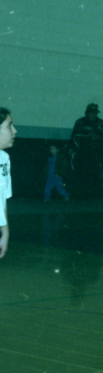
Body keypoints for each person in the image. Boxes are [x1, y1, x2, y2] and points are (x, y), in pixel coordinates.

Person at [69, 103, 103, 198]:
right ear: (87, 113)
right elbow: (74, 137)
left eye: (95, 113)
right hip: (82, 154)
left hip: (96, 155)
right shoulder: (80, 123)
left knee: (94, 175)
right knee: (81, 174)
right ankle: (80, 194)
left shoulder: (102, 124)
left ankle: (92, 194)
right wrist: (73, 150)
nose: (93, 115)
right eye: (91, 113)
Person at [0, 108, 17, 260]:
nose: (14, 131)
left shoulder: (4, 158)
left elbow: (2, 200)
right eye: (9, 126)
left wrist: (5, 233)